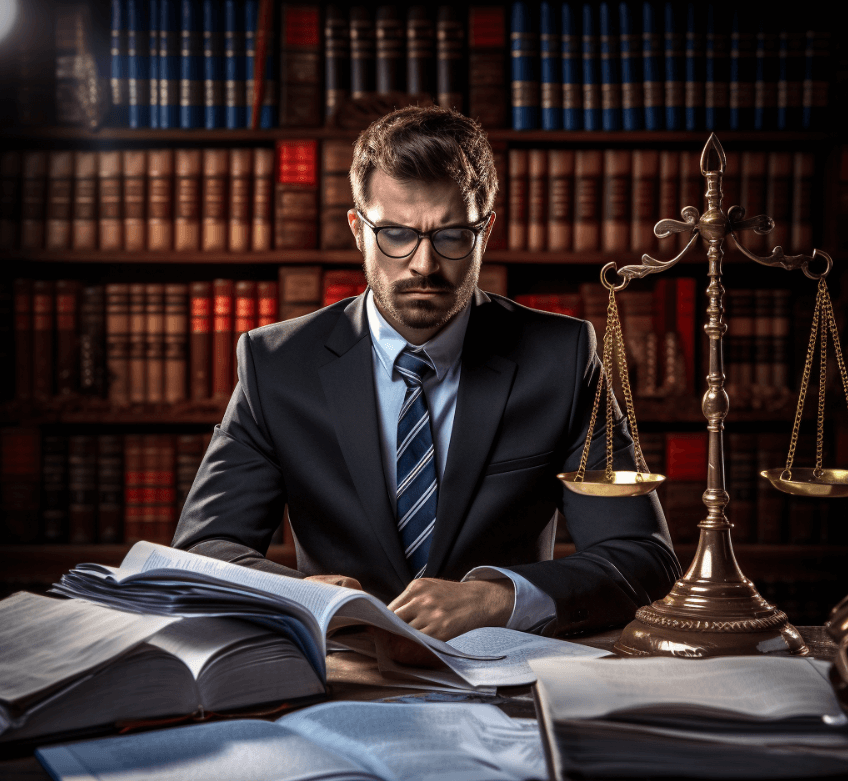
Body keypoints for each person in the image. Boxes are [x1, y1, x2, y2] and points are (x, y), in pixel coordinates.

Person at [173, 106, 680, 646]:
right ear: (358, 230)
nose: (423, 265)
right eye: (395, 234)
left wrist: (500, 597)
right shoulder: (276, 364)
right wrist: (307, 599)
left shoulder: (562, 357)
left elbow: (644, 559)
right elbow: (201, 551)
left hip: (503, 676)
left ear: (486, 230)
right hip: (345, 671)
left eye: (452, 236)